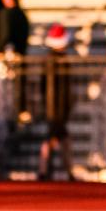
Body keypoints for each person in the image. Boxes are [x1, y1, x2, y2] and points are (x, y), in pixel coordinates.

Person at [39, 24, 73, 180]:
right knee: (54, 138)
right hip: (56, 105)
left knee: (61, 139)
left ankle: (63, 171)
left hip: (57, 105)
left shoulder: (54, 59)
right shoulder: (55, 60)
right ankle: (44, 169)